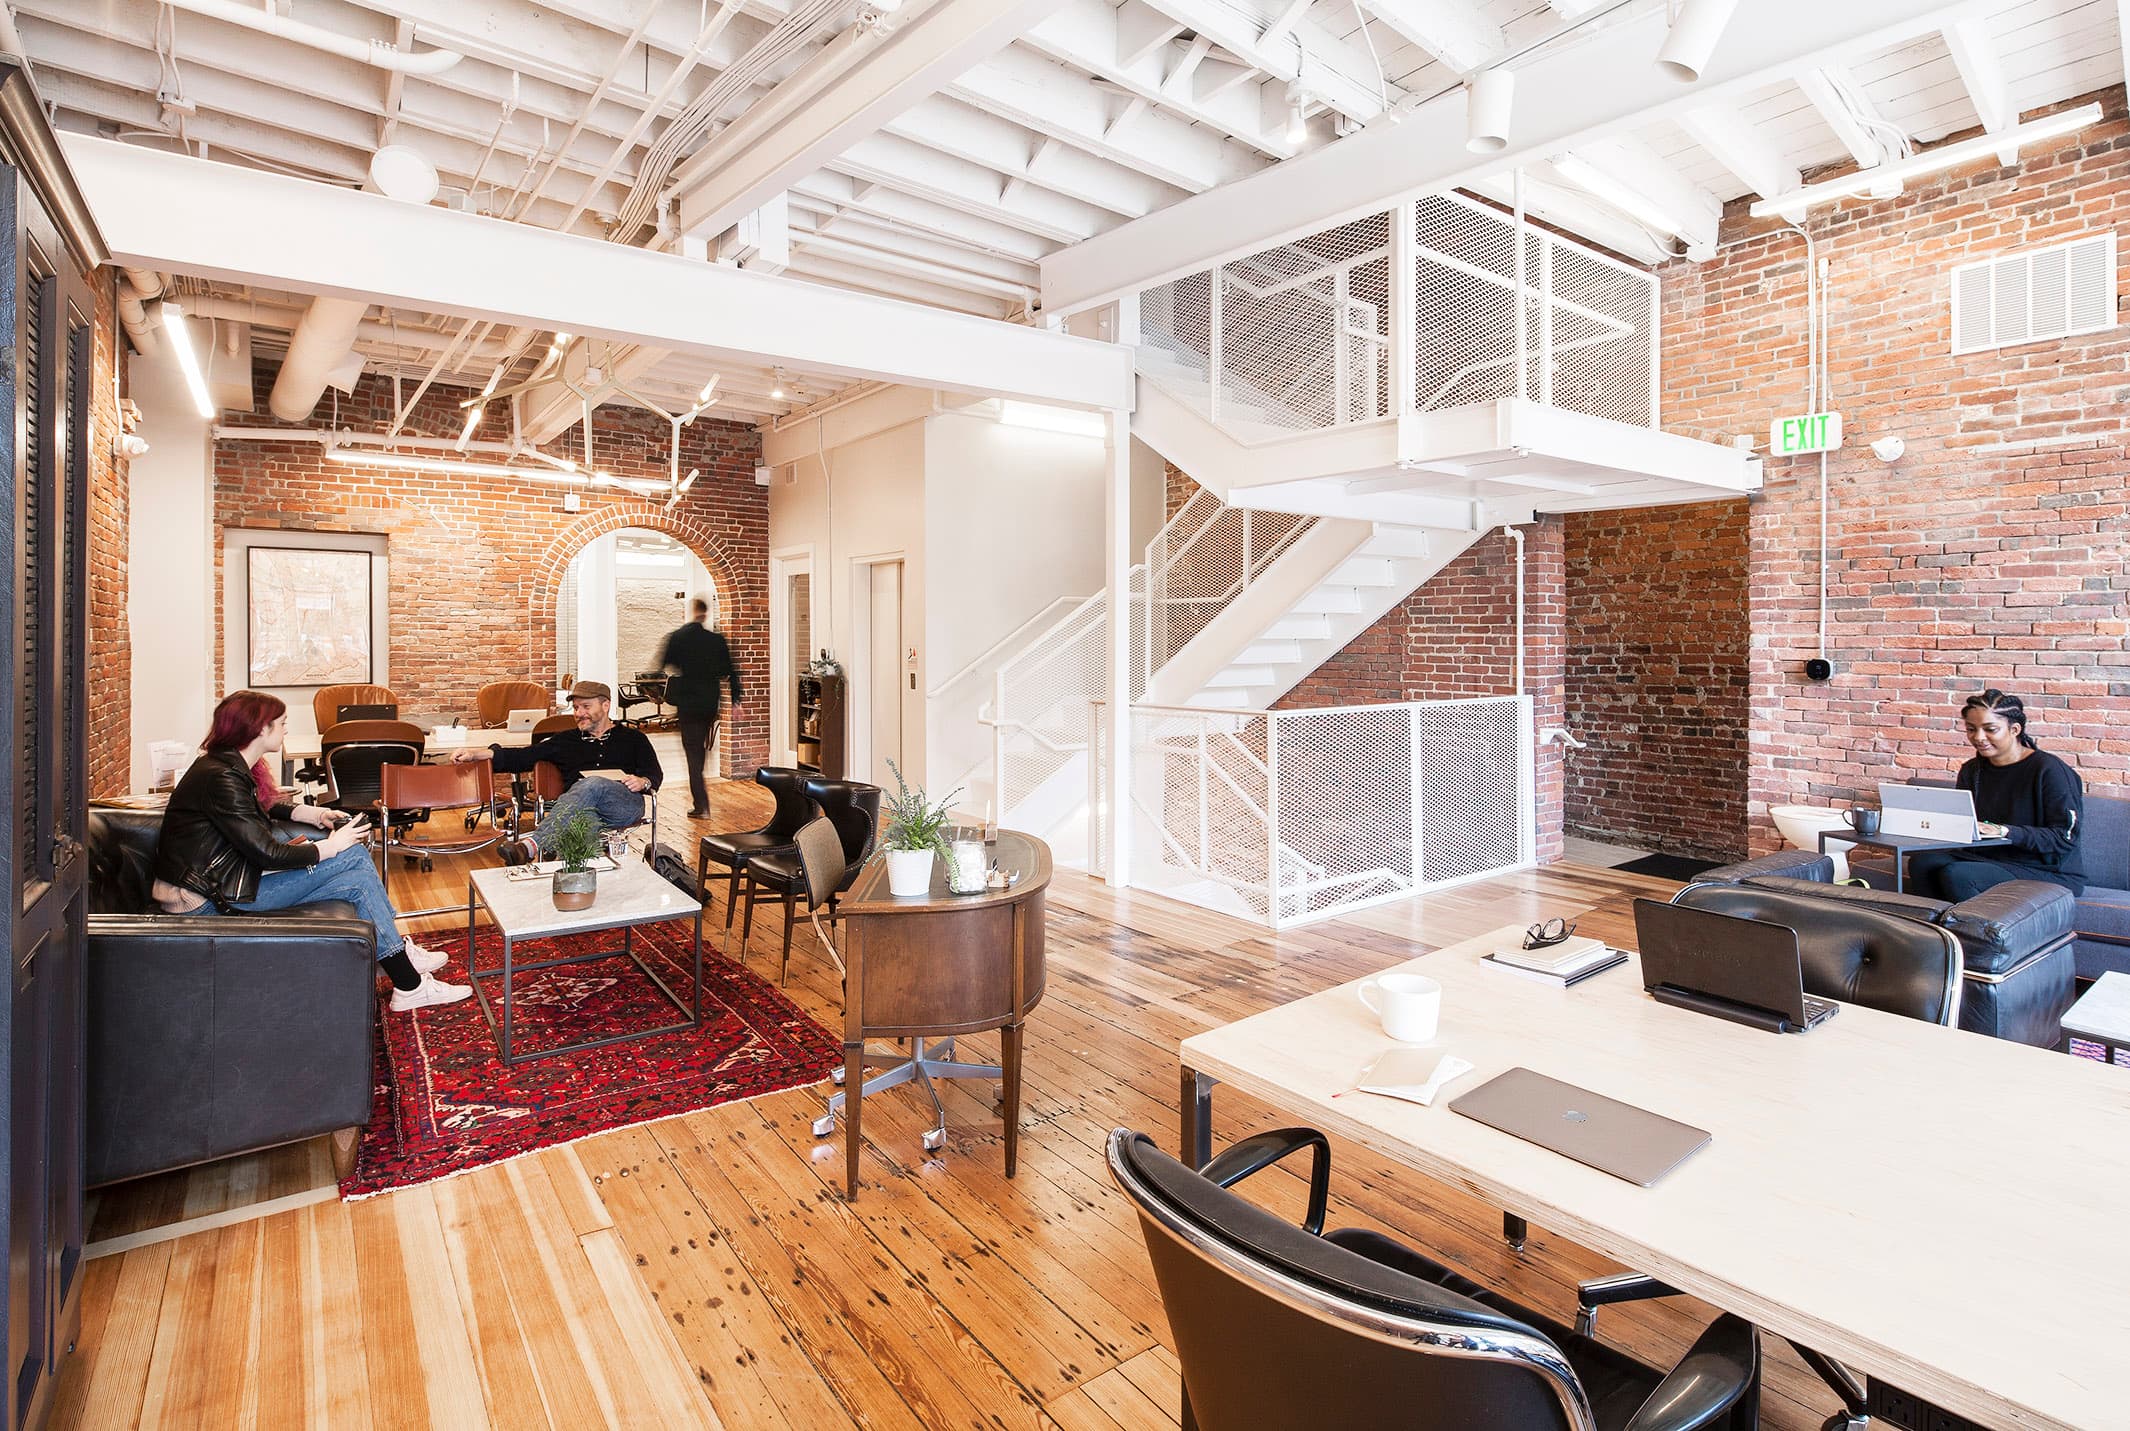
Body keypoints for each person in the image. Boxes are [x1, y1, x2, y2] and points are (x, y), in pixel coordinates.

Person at [151, 691, 470, 1012]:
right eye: (282, 723)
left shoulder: (223, 766)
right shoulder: (222, 777)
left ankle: (398, 958)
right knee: (355, 868)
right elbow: (267, 854)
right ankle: (406, 978)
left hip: (223, 883)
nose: (286, 729)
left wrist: (315, 814)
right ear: (261, 729)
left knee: (356, 864)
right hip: (206, 901)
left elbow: (261, 806)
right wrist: (330, 846)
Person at [1907, 688, 2085, 902]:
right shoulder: (1972, 770)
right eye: (1971, 729)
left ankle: (1975, 935)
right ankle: (1937, 932)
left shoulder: (2049, 770)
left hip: (2047, 870)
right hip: (1987, 859)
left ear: (2015, 729)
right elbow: (1966, 824)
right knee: (1922, 863)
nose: (1979, 738)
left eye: (1990, 729)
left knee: (1959, 875)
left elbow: (2064, 838)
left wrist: (2004, 831)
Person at [457, 679, 663, 862]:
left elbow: (655, 774)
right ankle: (581, 881)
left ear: (606, 705)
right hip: (580, 809)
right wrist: (476, 755)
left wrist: (643, 781)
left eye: (585, 706)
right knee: (580, 827)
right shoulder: (565, 740)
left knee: (592, 783)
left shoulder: (633, 738)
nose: (579, 713)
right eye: (575, 708)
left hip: (624, 805)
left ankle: (533, 845)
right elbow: (522, 757)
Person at [657, 596, 742, 819]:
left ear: (692, 611)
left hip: (688, 703)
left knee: (693, 753)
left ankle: (701, 804)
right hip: (709, 702)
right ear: (706, 613)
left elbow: (662, 666)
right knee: (700, 748)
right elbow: (731, 671)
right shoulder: (716, 640)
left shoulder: (678, 637)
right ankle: (701, 788)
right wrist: (735, 701)